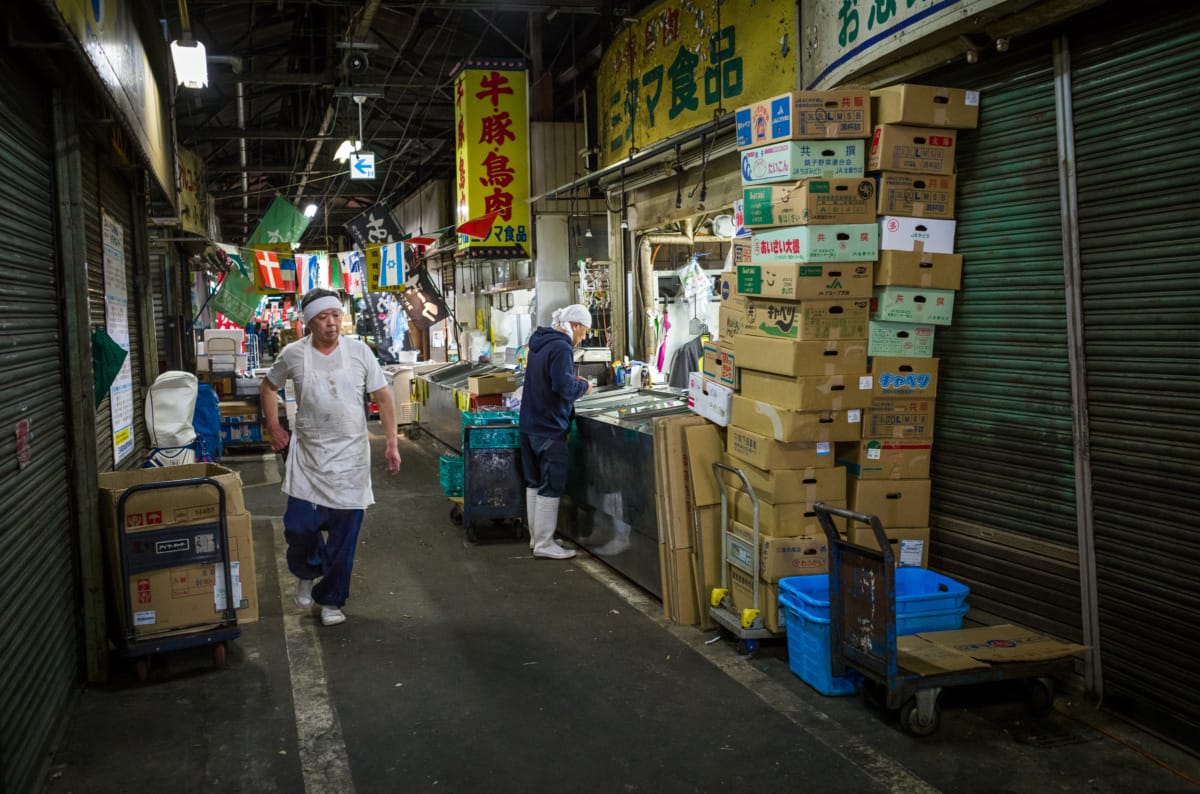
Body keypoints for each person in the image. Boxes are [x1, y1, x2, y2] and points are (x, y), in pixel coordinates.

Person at [261, 288, 401, 626]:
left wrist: (392, 442)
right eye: (323, 317)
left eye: (336, 315)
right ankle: (308, 571)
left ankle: (331, 601)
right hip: (308, 457)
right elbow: (268, 387)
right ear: (309, 322)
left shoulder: (359, 353)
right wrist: (274, 427)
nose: (332, 323)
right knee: (298, 527)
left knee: (344, 540)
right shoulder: (293, 354)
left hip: (350, 460)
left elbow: (383, 397)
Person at [519, 303, 594, 560]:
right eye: (583, 331)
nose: (583, 337)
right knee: (551, 484)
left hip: (529, 424)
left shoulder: (539, 342)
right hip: (549, 427)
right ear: (574, 325)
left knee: (534, 483)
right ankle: (544, 543)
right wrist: (583, 387)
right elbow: (562, 387)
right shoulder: (561, 347)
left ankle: (537, 538)